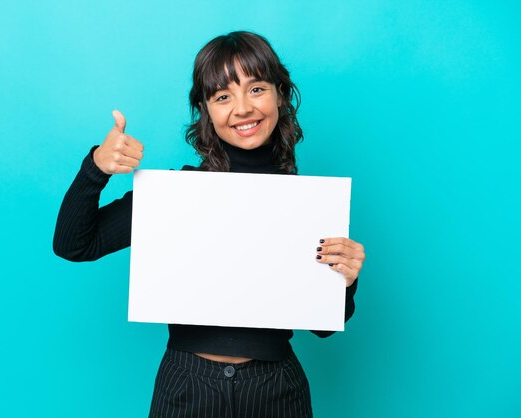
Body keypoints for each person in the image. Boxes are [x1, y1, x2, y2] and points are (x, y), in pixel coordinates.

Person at [54, 31, 365, 418]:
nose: (242, 108)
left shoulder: (307, 205)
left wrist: (347, 280)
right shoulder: (175, 195)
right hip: (186, 386)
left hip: (276, 391)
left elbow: (324, 327)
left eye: (256, 89)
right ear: (204, 109)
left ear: (280, 95)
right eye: (222, 96)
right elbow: (73, 244)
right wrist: (97, 167)